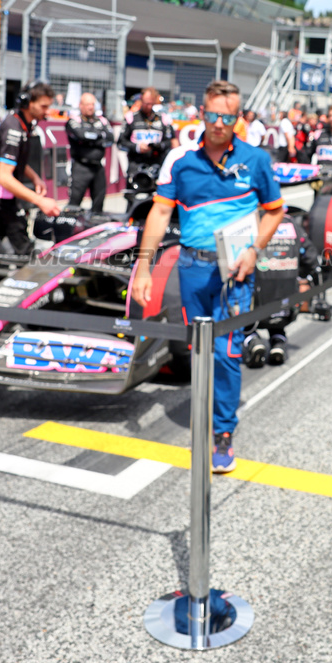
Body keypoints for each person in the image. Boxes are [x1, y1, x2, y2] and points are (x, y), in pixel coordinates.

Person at [133, 80, 284, 473]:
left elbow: (275, 210)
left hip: (236, 270)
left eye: (228, 117)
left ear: (239, 118)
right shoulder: (179, 160)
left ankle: (223, 433)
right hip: (192, 267)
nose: (220, 123)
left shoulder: (256, 160)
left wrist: (254, 250)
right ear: (201, 113)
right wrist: (144, 267)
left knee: (227, 353)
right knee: (198, 350)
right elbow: (161, 213)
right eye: (214, 115)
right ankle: (206, 416)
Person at [0, 82, 60, 254]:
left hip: (4, 193)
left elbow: (14, 160)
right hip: (1, 193)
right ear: (28, 103)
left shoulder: (24, 124)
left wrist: (35, 177)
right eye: (43, 106)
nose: (47, 111)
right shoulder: (13, 128)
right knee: (23, 245)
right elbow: (4, 177)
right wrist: (40, 200)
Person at [117, 87, 174, 192]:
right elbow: (121, 142)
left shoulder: (163, 119)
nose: (148, 106)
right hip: (136, 165)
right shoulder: (131, 117)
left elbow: (169, 141)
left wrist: (158, 145)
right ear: (141, 100)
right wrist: (137, 147)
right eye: (145, 103)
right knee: (132, 199)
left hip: (156, 165)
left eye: (150, 103)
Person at [65, 92, 113, 213]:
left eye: (92, 104)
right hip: (81, 167)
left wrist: (90, 139)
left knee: (98, 205)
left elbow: (110, 139)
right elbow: (81, 136)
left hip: (98, 167)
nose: (90, 107)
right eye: (87, 104)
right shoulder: (73, 121)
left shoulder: (102, 120)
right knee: (74, 205)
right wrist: (98, 137)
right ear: (81, 105)